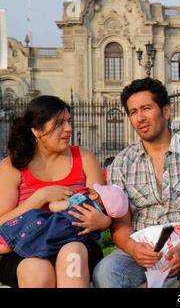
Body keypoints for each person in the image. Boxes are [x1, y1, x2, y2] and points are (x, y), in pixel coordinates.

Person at [93, 77, 180, 288]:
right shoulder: (122, 162)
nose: (140, 117)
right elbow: (121, 223)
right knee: (105, 271)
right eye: (133, 112)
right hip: (143, 248)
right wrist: (133, 247)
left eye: (146, 108)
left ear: (166, 111)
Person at [0, 95, 111, 288]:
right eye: (59, 123)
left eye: (68, 121)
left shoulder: (84, 157)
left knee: (72, 255)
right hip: (26, 249)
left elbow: (104, 207)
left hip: (77, 244)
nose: (68, 128)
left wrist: (103, 221)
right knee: (38, 272)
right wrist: (40, 197)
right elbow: (2, 223)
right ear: (36, 130)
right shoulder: (13, 165)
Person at [0, 183, 128, 257]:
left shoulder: (80, 201)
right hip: (59, 245)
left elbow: (53, 207)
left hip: (47, 227)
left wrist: (55, 202)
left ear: (94, 195)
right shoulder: (96, 225)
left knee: (28, 224)